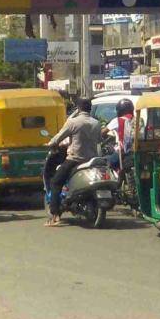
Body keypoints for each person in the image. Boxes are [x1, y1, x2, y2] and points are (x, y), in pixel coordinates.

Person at [44, 97, 102, 227]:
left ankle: (54, 215)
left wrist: (51, 143)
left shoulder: (73, 122)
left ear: (79, 108)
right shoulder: (96, 123)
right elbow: (99, 140)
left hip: (75, 160)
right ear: (90, 108)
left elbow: (58, 137)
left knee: (55, 182)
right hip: (92, 160)